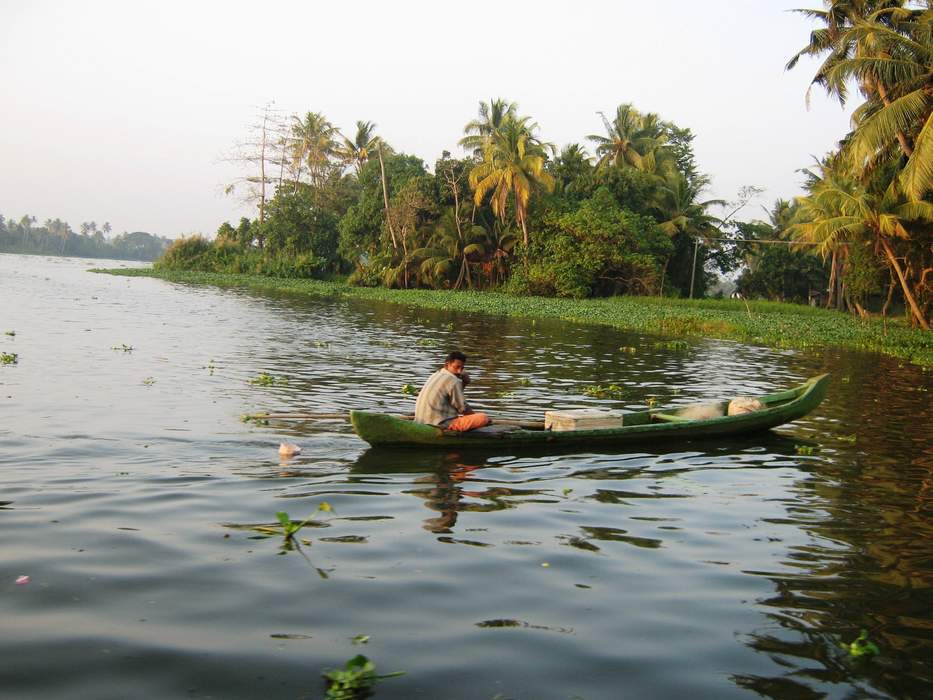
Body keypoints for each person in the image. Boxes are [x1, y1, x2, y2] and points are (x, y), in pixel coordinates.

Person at [414, 351, 491, 432]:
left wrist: (464, 383)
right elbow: (462, 408)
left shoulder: (436, 374)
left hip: (422, 421)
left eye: (462, 368)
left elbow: (453, 397)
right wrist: (476, 419)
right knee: (483, 417)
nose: (459, 371)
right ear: (447, 365)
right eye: (457, 367)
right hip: (440, 424)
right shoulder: (453, 380)